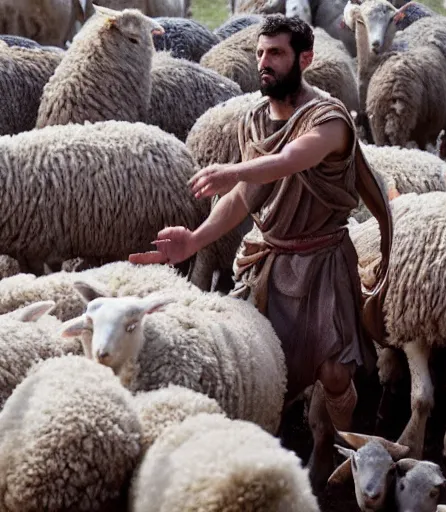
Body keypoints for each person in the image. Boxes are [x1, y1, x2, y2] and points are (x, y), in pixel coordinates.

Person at [130, 14, 392, 491]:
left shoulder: (330, 118)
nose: (264, 63)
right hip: (271, 260)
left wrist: (236, 170)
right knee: (263, 369)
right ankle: (261, 458)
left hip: (323, 262)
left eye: (276, 53)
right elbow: (244, 197)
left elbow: (295, 159)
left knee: (334, 373)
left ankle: (330, 449)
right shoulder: (253, 118)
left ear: (304, 59)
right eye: (259, 53)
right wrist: (194, 239)